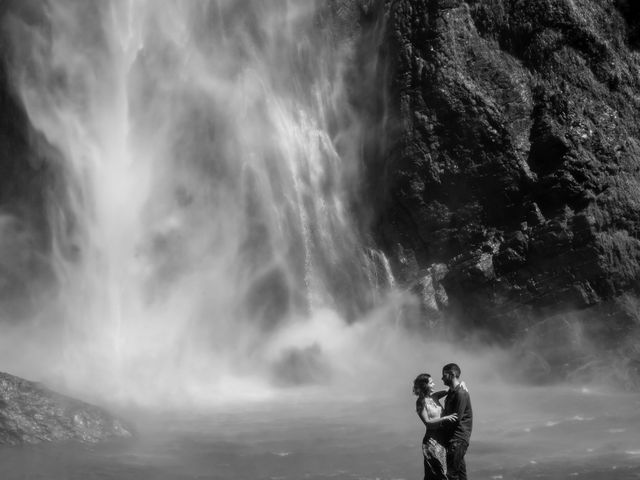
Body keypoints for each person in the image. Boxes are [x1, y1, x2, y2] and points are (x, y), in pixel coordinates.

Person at [413, 373, 458, 480]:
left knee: (444, 471)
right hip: (432, 441)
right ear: (425, 385)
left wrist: (462, 384)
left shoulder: (435, 396)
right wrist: (445, 418)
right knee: (437, 473)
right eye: (431, 382)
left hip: (442, 438)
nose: (434, 384)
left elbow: (451, 389)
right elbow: (427, 422)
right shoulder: (420, 402)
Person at [440, 363, 473, 480]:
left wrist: (438, 424)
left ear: (452, 374)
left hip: (457, 439)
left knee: (450, 474)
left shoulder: (460, 393)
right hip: (455, 439)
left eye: (444, 375)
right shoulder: (453, 392)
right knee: (460, 474)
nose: (442, 378)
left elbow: (455, 418)